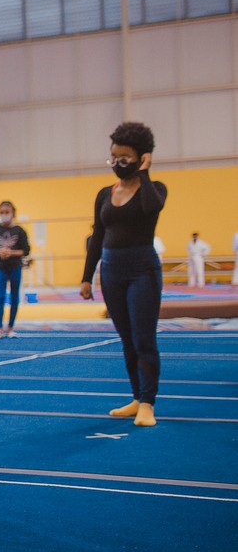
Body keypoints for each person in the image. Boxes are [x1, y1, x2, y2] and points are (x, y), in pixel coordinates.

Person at [79, 122, 167, 428]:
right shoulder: (104, 194)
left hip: (142, 270)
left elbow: (152, 208)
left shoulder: (155, 190)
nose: (117, 163)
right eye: (113, 157)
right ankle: (136, 397)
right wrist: (87, 276)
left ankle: (148, 403)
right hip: (111, 272)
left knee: (144, 339)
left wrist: (144, 174)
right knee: (127, 339)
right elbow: (97, 237)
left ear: (142, 158)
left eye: (125, 158)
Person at [0, 201, 31, 339]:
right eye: (2, 212)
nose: (4, 215)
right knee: (0, 297)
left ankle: (10, 328)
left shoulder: (20, 231)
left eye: (7, 212)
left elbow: (26, 250)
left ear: (13, 213)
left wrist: (11, 253)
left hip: (15, 267)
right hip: (0, 267)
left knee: (14, 297)